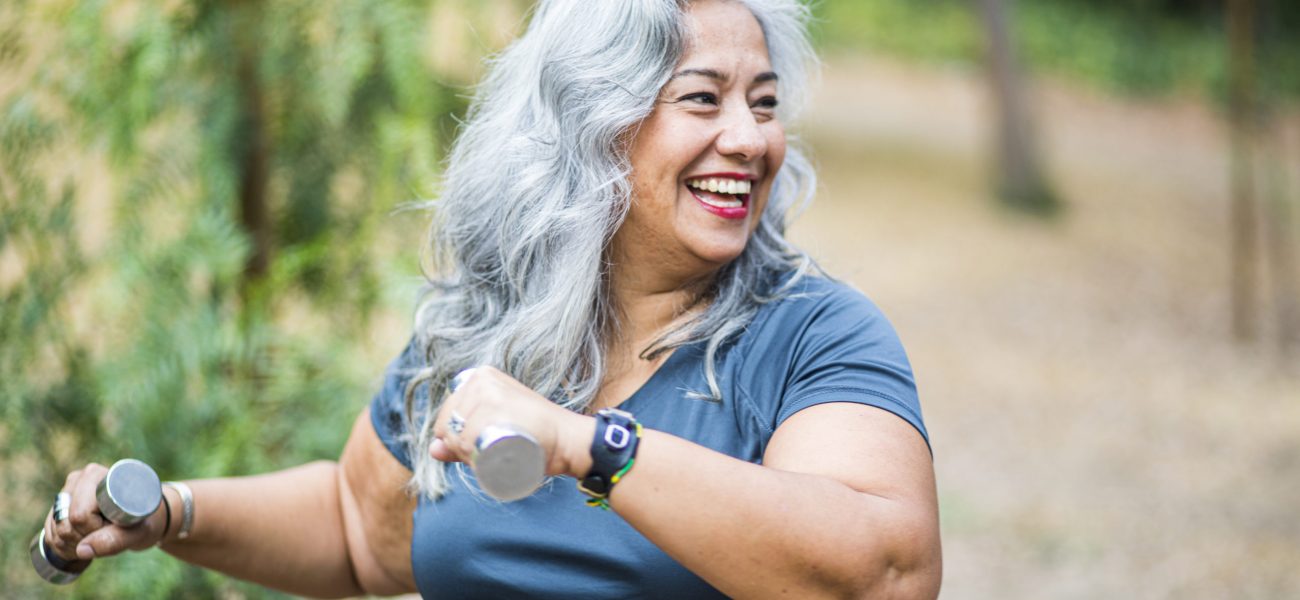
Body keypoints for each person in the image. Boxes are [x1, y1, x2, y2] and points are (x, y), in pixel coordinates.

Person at [42, 0, 942, 597]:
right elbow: (360, 527)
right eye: (703, 99)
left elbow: (886, 572)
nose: (749, 138)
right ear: (591, 124)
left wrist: (592, 449)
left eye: (765, 101)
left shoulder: (814, 336)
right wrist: (168, 513)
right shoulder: (491, 322)